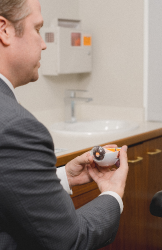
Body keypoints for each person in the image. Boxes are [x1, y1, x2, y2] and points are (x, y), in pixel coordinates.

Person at [0, 0, 129, 249]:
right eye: (37, 29)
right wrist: (113, 194)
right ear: (4, 30)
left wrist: (61, 177)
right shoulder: (16, 127)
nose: (44, 43)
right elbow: (70, 240)